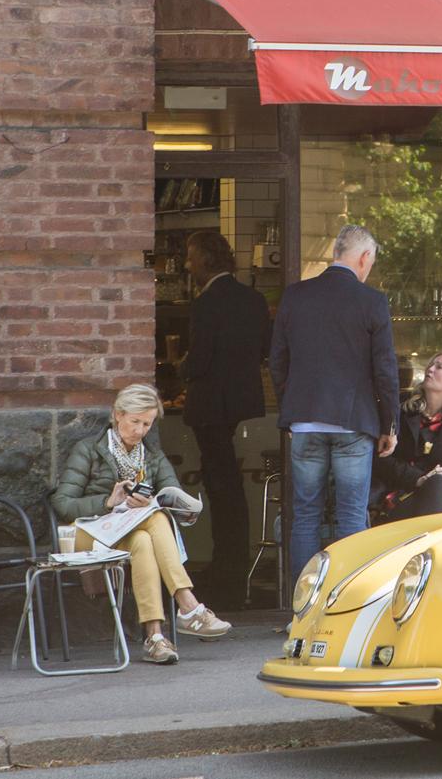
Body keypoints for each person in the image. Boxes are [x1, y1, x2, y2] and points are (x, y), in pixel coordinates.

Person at [51, 383, 232, 665]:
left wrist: (164, 503)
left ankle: (155, 637)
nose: (140, 430)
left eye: (147, 424)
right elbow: (62, 503)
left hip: (130, 533)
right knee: (155, 521)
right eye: (135, 421)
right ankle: (189, 606)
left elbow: (172, 493)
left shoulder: (152, 454)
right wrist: (108, 502)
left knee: (145, 538)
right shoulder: (88, 449)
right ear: (118, 415)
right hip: (88, 533)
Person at [271, 224, 399, 572]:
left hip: (305, 422)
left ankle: (302, 611)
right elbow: (385, 370)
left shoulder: (295, 296)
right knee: (351, 516)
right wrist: (389, 424)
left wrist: (290, 411)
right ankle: (346, 610)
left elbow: (278, 361)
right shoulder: (372, 301)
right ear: (364, 257)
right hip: (353, 423)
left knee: (306, 516)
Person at [182, 229, 269, 610]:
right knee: (232, 490)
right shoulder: (253, 299)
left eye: (190, 257)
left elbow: (198, 362)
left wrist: (180, 366)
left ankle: (224, 573)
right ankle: (234, 569)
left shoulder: (205, 305)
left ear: (205, 260)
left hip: (210, 409)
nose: (187, 265)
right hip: (242, 406)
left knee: (221, 490)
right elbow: (263, 350)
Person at [374, 352, 442, 521]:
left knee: (437, 483)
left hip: (436, 495)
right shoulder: (401, 409)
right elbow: (381, 458)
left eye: (439, 367)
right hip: (399, 496)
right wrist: (418, 479)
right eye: (431, 364)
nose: (430, 369)